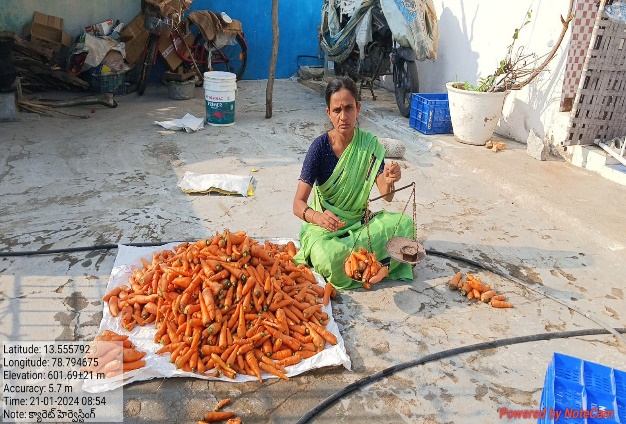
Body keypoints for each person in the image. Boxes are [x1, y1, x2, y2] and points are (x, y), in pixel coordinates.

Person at [292, 76, 414, 290]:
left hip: (360, 225)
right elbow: (298, 204)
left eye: (349, 108)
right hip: (327, 230)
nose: (343, 116)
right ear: (328, 113)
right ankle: (376, 263)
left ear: (358, 108)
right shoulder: (319, 148)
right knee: (328, 256)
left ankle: (369, 267)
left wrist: (390, 179)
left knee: (406, 225)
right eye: (337, 110)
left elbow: (387, 196)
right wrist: (318, 218)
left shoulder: (369, 145)